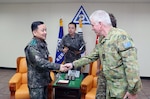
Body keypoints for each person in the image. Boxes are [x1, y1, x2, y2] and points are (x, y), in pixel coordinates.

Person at [65, 10, 142, 99]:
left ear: (100, 24)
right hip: (109, 89)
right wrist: (73, 64)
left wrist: (133, 91)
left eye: (93, 25)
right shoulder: (102, 39)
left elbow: (132, 66)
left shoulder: (121, 37)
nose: (92, 28)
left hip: (121, 90)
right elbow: (92, 56)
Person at [24, 21, 68, 99]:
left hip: (44, 81)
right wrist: (58, 66)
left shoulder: (42, 43)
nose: (45, 32)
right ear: (34, 32)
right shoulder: (32, 47)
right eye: (42, 30)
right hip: (36, 84)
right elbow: (41, 63)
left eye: (46, 30)